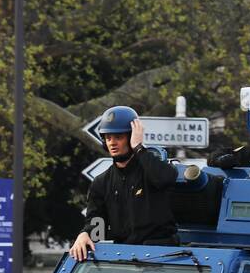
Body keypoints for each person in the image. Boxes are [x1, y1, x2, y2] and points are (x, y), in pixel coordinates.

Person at [70, 106, 178, 261]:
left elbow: (167, 178)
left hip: (160, 256)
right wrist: (85, 233)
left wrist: (139, 148)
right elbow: (97, 224)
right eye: (108, 138)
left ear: (131, 137)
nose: (112, 143)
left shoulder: (150, 170)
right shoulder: (101, 182)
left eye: (118, 137)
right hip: (124, 258)